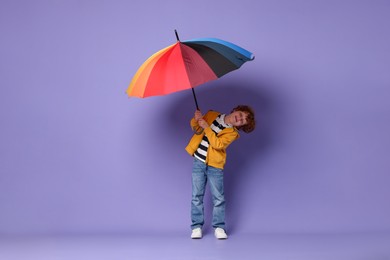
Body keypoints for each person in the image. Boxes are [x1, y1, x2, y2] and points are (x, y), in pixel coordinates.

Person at [185, 105, 256, 239]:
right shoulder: (212, 114)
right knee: (196, 196)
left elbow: (217, 144)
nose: (239, 119)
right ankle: (196, 227)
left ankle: (219, 227)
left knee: (218, 198)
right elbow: (197, 130)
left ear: (240, 126)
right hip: (198, 162)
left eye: (242, 121)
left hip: (215, 166)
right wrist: (197, 120)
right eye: (241, 115)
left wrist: (206, 127)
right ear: (235, 110)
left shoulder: (232, 133)